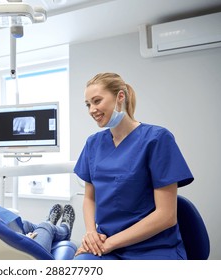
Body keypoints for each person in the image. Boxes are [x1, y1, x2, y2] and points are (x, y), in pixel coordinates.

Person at [74, 72, 194, 260]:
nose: (92, 110)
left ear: (120, 96)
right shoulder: (93, 144)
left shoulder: (157, 139)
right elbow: (90, 198)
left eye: (97, 101)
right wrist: (91, 234)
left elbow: (166, 215)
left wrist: (109, 244)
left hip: (153, 247)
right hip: (106, 244)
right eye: (88, 104)